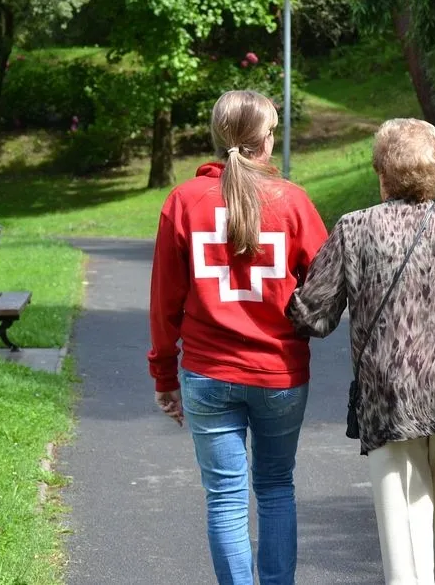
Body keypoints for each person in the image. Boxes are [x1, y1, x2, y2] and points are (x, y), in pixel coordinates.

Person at [286, 118, 435, 585]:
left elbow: (312, 316)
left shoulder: (355, 228)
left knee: (403, 536)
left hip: (392, 395)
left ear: (381, 172)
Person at [147, 90, 328, 585]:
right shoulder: (292, 202)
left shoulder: (182, 202)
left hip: (207, 373)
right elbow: (327, 283)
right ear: (264, 140)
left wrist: (164, 374)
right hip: (281, 373)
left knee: (225, 499)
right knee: (275, 488)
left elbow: (164, 302)